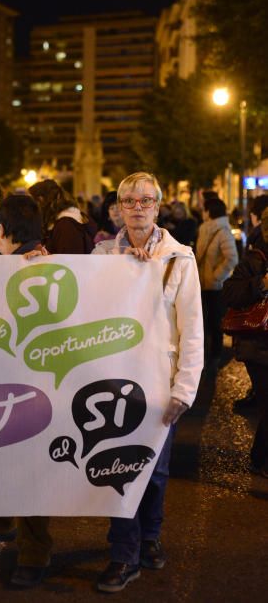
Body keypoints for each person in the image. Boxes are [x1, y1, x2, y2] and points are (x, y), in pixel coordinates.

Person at [92, 171, 203, 593]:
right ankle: (124, 555)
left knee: (155, 472)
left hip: (158, 385)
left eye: (145, 201)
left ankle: (150, 537)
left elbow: (192, 330)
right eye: (129, 201)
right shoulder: (101, 257)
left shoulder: (180, 259)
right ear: (118, 208)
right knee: (119, 468)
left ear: (158, 207)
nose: (137, 208)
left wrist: (184, 390)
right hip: (111, 386)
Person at [0, 194, 52, 588]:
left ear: (3, 231)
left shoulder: (29, 269)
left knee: (28, 468)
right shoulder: (33, 263)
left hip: (27, 390)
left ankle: (34, 553)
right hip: (15, 385)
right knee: (9, 461)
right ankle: (5, 520)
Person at [222, 206, 268, 478]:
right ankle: (259, 460)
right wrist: (259, 283)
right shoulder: (254, 259)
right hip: (258, 347)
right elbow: (231, 293)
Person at [196, 198, 238, 370]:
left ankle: (216, 355)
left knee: (215, 321)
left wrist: (216, 276)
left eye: (204, 209)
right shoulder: (204, 229)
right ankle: (203, 354)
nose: (202, 212)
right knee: (201, 321)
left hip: (215, 286)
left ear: (209, 212)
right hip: (200, 284)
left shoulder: (223, 231)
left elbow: (232, 258)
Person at [28, 179, 96, 253]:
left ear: (41, 200)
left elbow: (68, 260)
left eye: (33, 203)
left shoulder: (66, 225)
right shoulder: (63, 222)